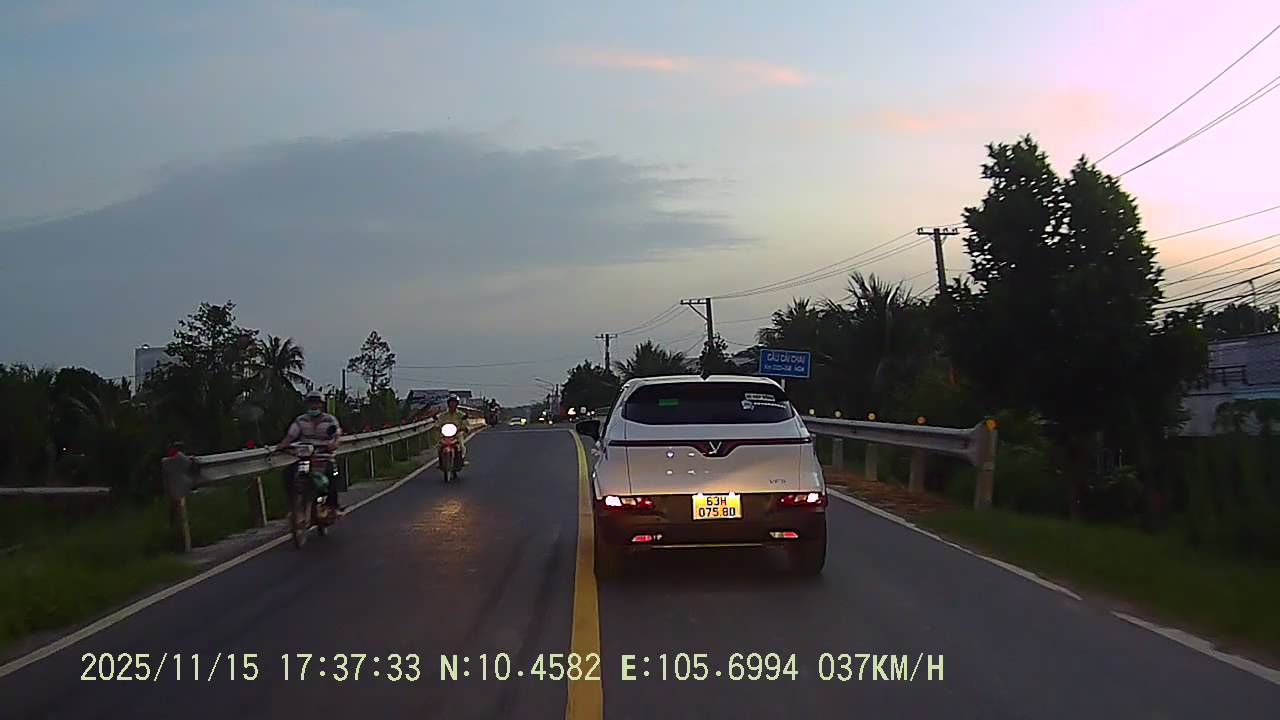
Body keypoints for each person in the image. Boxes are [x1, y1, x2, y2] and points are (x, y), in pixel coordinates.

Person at [271, 390, 344, 515]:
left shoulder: (330, 420)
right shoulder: (301, 420)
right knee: (288, 474)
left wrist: (333, 444)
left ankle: (333, 506)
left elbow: (337, 436)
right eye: (311, 403)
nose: (314, 405)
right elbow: (290, 436)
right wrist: (280, 446)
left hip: (324, 457)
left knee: (332, 476)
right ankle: (293, 505)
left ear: (322, 405)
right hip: (304, 457)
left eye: (317, 403)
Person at [434, 395, 471, 466]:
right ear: (448, 404)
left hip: (457, 434)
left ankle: (462, 459)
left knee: (462, 446)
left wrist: (465, 428)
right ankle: (440, 462)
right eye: (451, 403)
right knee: (439, 446)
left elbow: (466, 423)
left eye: (454, 403)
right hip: (445, 434)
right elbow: (438, 422)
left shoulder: (461, 414)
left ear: (457, 404)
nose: (452, 404)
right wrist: (437, 426)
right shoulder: (443, 415)